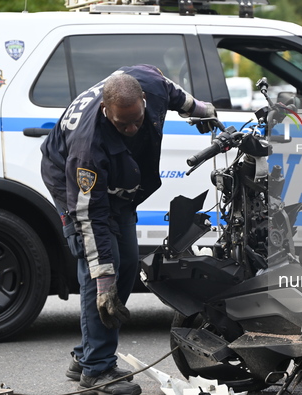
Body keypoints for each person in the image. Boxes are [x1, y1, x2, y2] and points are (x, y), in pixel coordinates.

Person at [40, 64, 215, 395]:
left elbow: (172, 90)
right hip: (76, 191)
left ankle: (89, 353)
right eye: (124, 124)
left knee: (127, 265)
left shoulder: (151, 86)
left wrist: (201, 110)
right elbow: (90, 217)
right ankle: (96, 371)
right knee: (100, 276)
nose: (134, 128)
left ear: (144, 100)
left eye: (138, 119)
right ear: (106, 112)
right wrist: (104, 279)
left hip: (117, 187)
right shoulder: (87, 148)